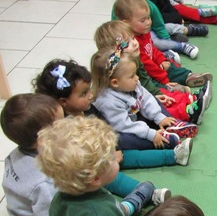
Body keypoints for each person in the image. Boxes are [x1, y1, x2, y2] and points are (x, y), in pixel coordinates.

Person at [33, 58, 179, 190]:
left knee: (129, 151)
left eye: (89, 89)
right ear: (64, 101)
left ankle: (174, 154)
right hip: (90, 167)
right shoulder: (62, 126)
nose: (91, 95)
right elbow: (75, 160)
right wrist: (106, 156)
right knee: (115, 174)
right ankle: (145, 192)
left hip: (106, 149)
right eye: (84, 94)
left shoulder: (87, 108)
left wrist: (112, 148)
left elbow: (106, 127)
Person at [94, 20, 205, 137]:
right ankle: (186, 113)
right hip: (134, 117)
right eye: (127, 43)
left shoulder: (133, 59)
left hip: (142, 98)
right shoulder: (113, 89)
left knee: (158, 98)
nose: (135, 43)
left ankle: (189, 101)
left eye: (133, 38)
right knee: (159, 102)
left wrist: (157, 91)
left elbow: (144, 81)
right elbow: (126, 123)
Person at [90, 46, 196, 162]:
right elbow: (126, 126)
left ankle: (171, 124)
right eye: (132, 76)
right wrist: (151, 135)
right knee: (123, 139)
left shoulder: (130, 83)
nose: (137, 78)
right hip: (123, 129)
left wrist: (159, 117)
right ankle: (165, 142)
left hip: (134, 118)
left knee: (152, 99)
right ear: (115, 83)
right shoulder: (108, 102)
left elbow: (145, 98)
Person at [0, 94, 64, 216]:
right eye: (61, 125)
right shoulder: (44, 182)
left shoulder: (17, 152)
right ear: (43, 140)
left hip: (25, 213)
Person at [112, 0, 213, 93]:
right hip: (144, 75)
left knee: (170, 66)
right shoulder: (132, 43)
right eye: (143, 20)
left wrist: (161, 60)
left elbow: (152, 49)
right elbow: (147, 65)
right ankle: (171, 89)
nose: (148, 22)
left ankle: (188, 77)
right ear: (127, 23)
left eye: (149, 18)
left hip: (155, 67)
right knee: (153, 85)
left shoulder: (144, 32)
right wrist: (164, 80)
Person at [117, 0, 203, 59]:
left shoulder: (150, 5)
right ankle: (176, 48)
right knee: (155, 43)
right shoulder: (119, 8)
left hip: (151, 29)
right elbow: (117, 30)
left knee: (169, 28)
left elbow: (159, 25)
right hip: (137, 36)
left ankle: (188, 33)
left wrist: (168, 42)